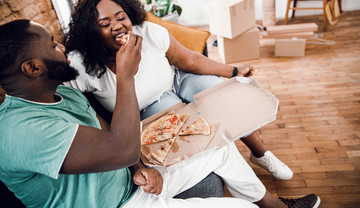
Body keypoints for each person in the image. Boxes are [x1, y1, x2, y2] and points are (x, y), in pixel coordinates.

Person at [0, 20, 321, 207]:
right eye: (53, 45)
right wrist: (125, 75)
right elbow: (120, 147)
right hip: (121, 206)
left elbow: (105, 131)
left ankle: (273, 205)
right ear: (32, 68)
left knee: (220, 148)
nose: (62, 49)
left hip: (134, 184)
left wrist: (141, 168)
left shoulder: (61, 90)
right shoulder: (20, 131)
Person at [64, 0, 292, 180]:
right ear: (91, 32)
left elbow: (189, 59)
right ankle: (228, 169)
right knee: (189, 130)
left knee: (217, 95)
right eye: (105, 23)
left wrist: (232, 70)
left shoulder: (148, 32)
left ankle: (260, 154)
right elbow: (80, 110)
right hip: (146, 108)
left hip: (178, 80)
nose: (117, 26)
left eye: (121, 17)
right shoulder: (79, 64)